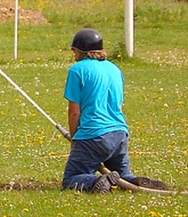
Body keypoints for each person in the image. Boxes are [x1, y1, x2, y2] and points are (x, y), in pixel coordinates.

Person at [61, 27, 168, 193]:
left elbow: (74, 112)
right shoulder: (114, 69)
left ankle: (97, 181)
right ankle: (135, 182)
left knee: (72, 178)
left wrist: (75, 139)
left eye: (74, 51)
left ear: (81, 51)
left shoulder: (77, 70)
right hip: (119, 134)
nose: (73, 55)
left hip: (93, 135)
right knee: (123, 175)